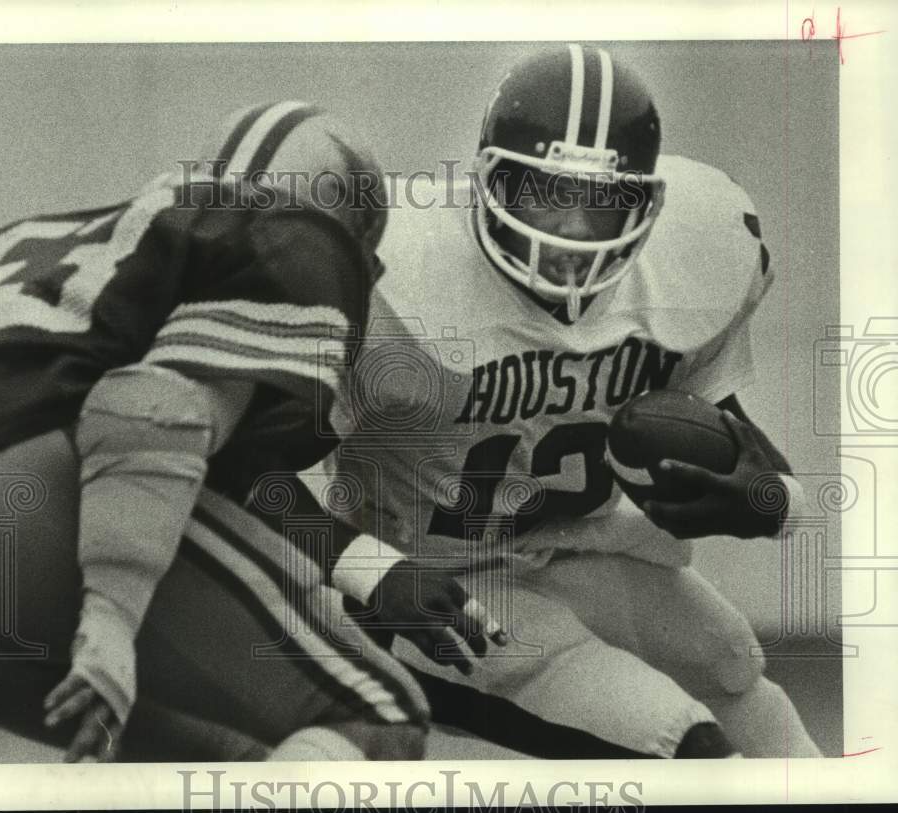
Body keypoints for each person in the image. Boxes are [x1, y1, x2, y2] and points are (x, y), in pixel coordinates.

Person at [324, 45, 822, 758]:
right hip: (435, 576)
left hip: (579, 547)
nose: (573, 233)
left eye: (603, 201)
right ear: (487, 181)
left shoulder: (699, 251)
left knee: (732, 666)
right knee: (681, 741)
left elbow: (727, 426)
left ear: (648, 203)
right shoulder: (389, 278)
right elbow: (257, 471)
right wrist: (370, 572)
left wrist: (775, 501)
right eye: (547, 195)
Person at [0, 101, 446, 763]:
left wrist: (366, 565)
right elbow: (153, 409)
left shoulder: (50, 236)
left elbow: (214, 462)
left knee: (229, 756)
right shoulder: (290, 233)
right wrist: (111, 620)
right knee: (379, 718)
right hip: (33, 506)